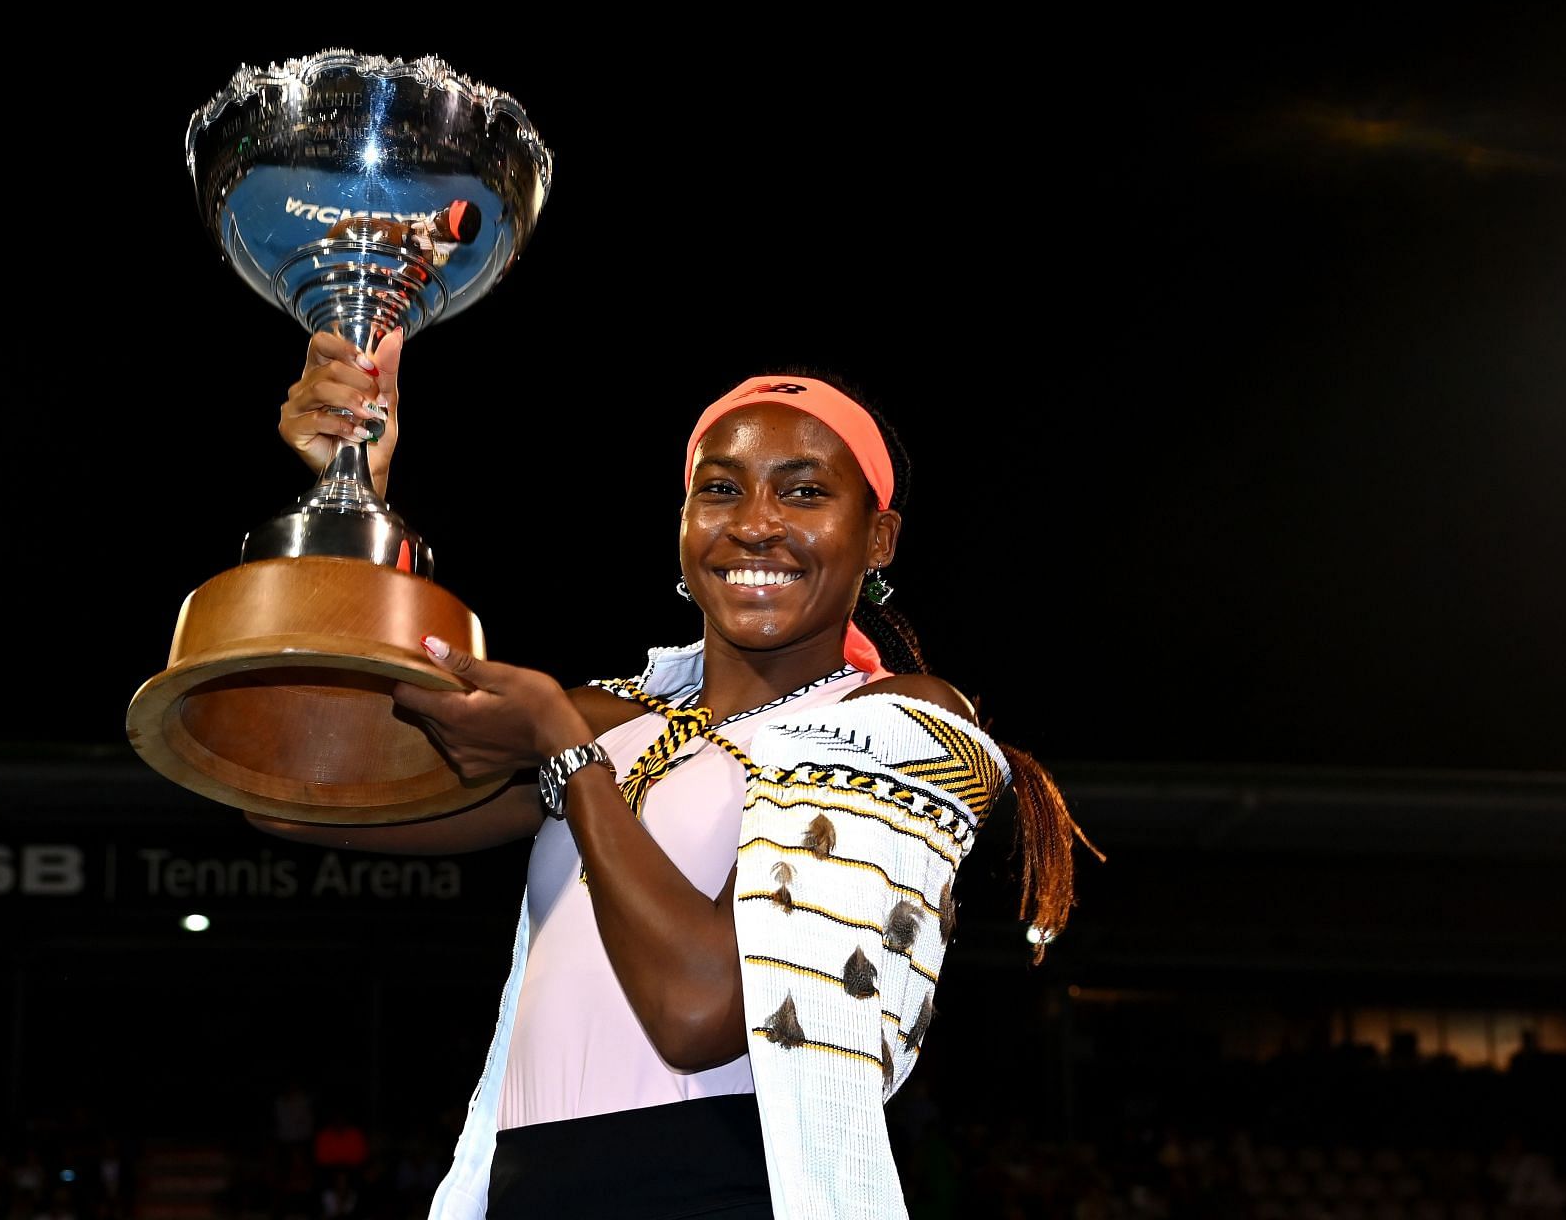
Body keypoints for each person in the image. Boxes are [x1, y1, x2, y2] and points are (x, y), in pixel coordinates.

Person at [256, 332, 1100, 1220]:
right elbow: (300, 790)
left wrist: (567, 757)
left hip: (726, 1188)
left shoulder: (899, 723)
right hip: (523, 1191)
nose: (756, 521)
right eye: (720, 489)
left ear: (878, 539)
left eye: (806, 492)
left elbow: (699, 1013)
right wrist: (348, 505)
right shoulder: (614, 716)